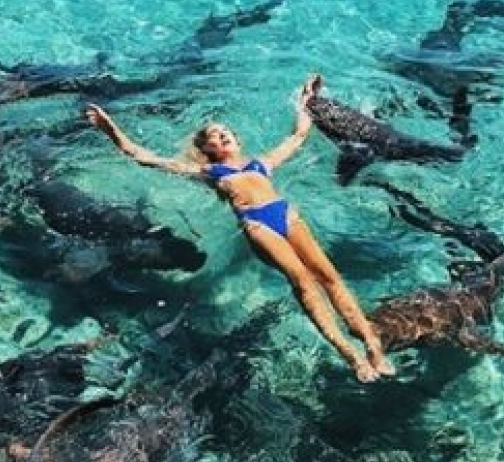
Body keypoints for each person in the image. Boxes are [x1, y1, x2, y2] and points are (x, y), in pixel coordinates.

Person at [84, 75, 395, 382]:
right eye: (213, 137)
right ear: (207, 149)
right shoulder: (208, 171)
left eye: (225, 132)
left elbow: (298, 136)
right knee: (303, 283)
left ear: (236, 138)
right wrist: (109, 128)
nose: (222, 136)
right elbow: (144, 156)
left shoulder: (262, 163)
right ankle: (349, 354)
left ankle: (372, 345)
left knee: (329, 276)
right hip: (258, 224)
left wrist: (306, 100)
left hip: (286, 214)